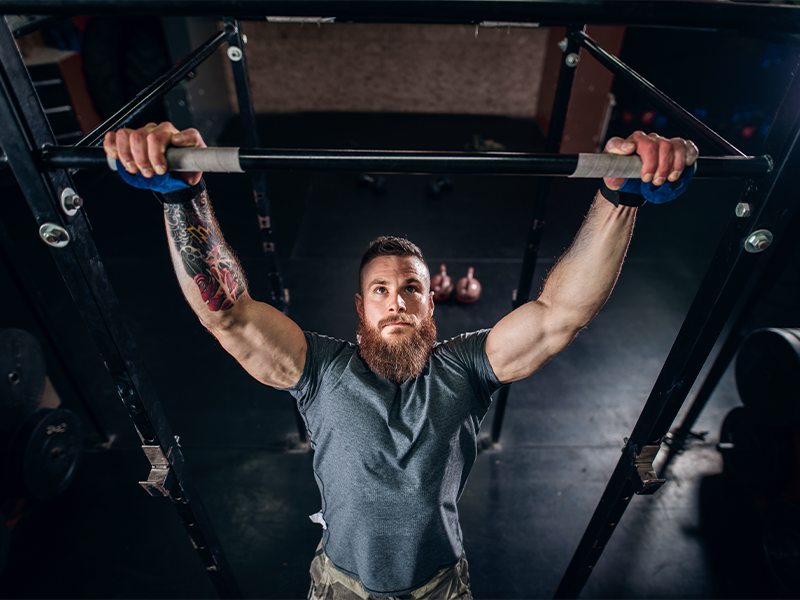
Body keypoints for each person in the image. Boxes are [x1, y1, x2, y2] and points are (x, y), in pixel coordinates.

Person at [104, 122, 697, 600]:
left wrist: (619, 198)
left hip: (440, 587)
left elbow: (559, 314)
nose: (398, 301)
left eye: (411, 288)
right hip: (341, 587)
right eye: (381, 290)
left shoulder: (463, 370)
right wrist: (184, 196)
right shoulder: (319, 372)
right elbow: (228, 314)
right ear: (360, 307)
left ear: (429, 300)